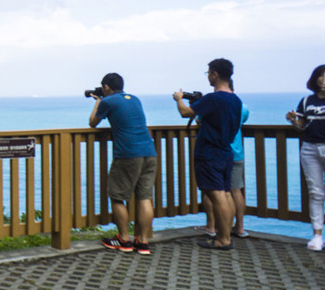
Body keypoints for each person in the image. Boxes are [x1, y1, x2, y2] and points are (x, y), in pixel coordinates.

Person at [174, 58, 243, 250]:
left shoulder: (214, 98)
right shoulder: (235, 100)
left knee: (217, 194)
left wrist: (179, 99)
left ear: (215, 74)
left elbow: (186, 113)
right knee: (226, 194)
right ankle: (225, 235)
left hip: (210, 152)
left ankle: (223, 239)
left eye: (209, 73)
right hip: (226, 151)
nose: (208, 78)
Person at [89, 73, 158, 255]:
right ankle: (143, 243)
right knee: (144, 197)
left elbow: (93, 123)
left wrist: (98, 101)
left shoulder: (108, 102)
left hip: (128, 154)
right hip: (149, 152)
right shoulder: (134, 99)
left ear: (106, 87)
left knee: (117, 196)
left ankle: (124, 239)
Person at [286, 64, 325, 254]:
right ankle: (317, 234)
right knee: (315, 193)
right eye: (322, 75)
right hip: (310, 148)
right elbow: (303, 126)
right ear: (315, 79)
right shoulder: (306, 101)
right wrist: (294, 121)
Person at [199, 80, 250, 239]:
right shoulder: (241, 106)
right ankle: (240, 228)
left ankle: (211, 226)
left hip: (217, 152)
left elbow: (200, 119)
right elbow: (242, 120)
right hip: (236, 153)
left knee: (211, 191)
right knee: (235, 190)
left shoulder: (214, 103)